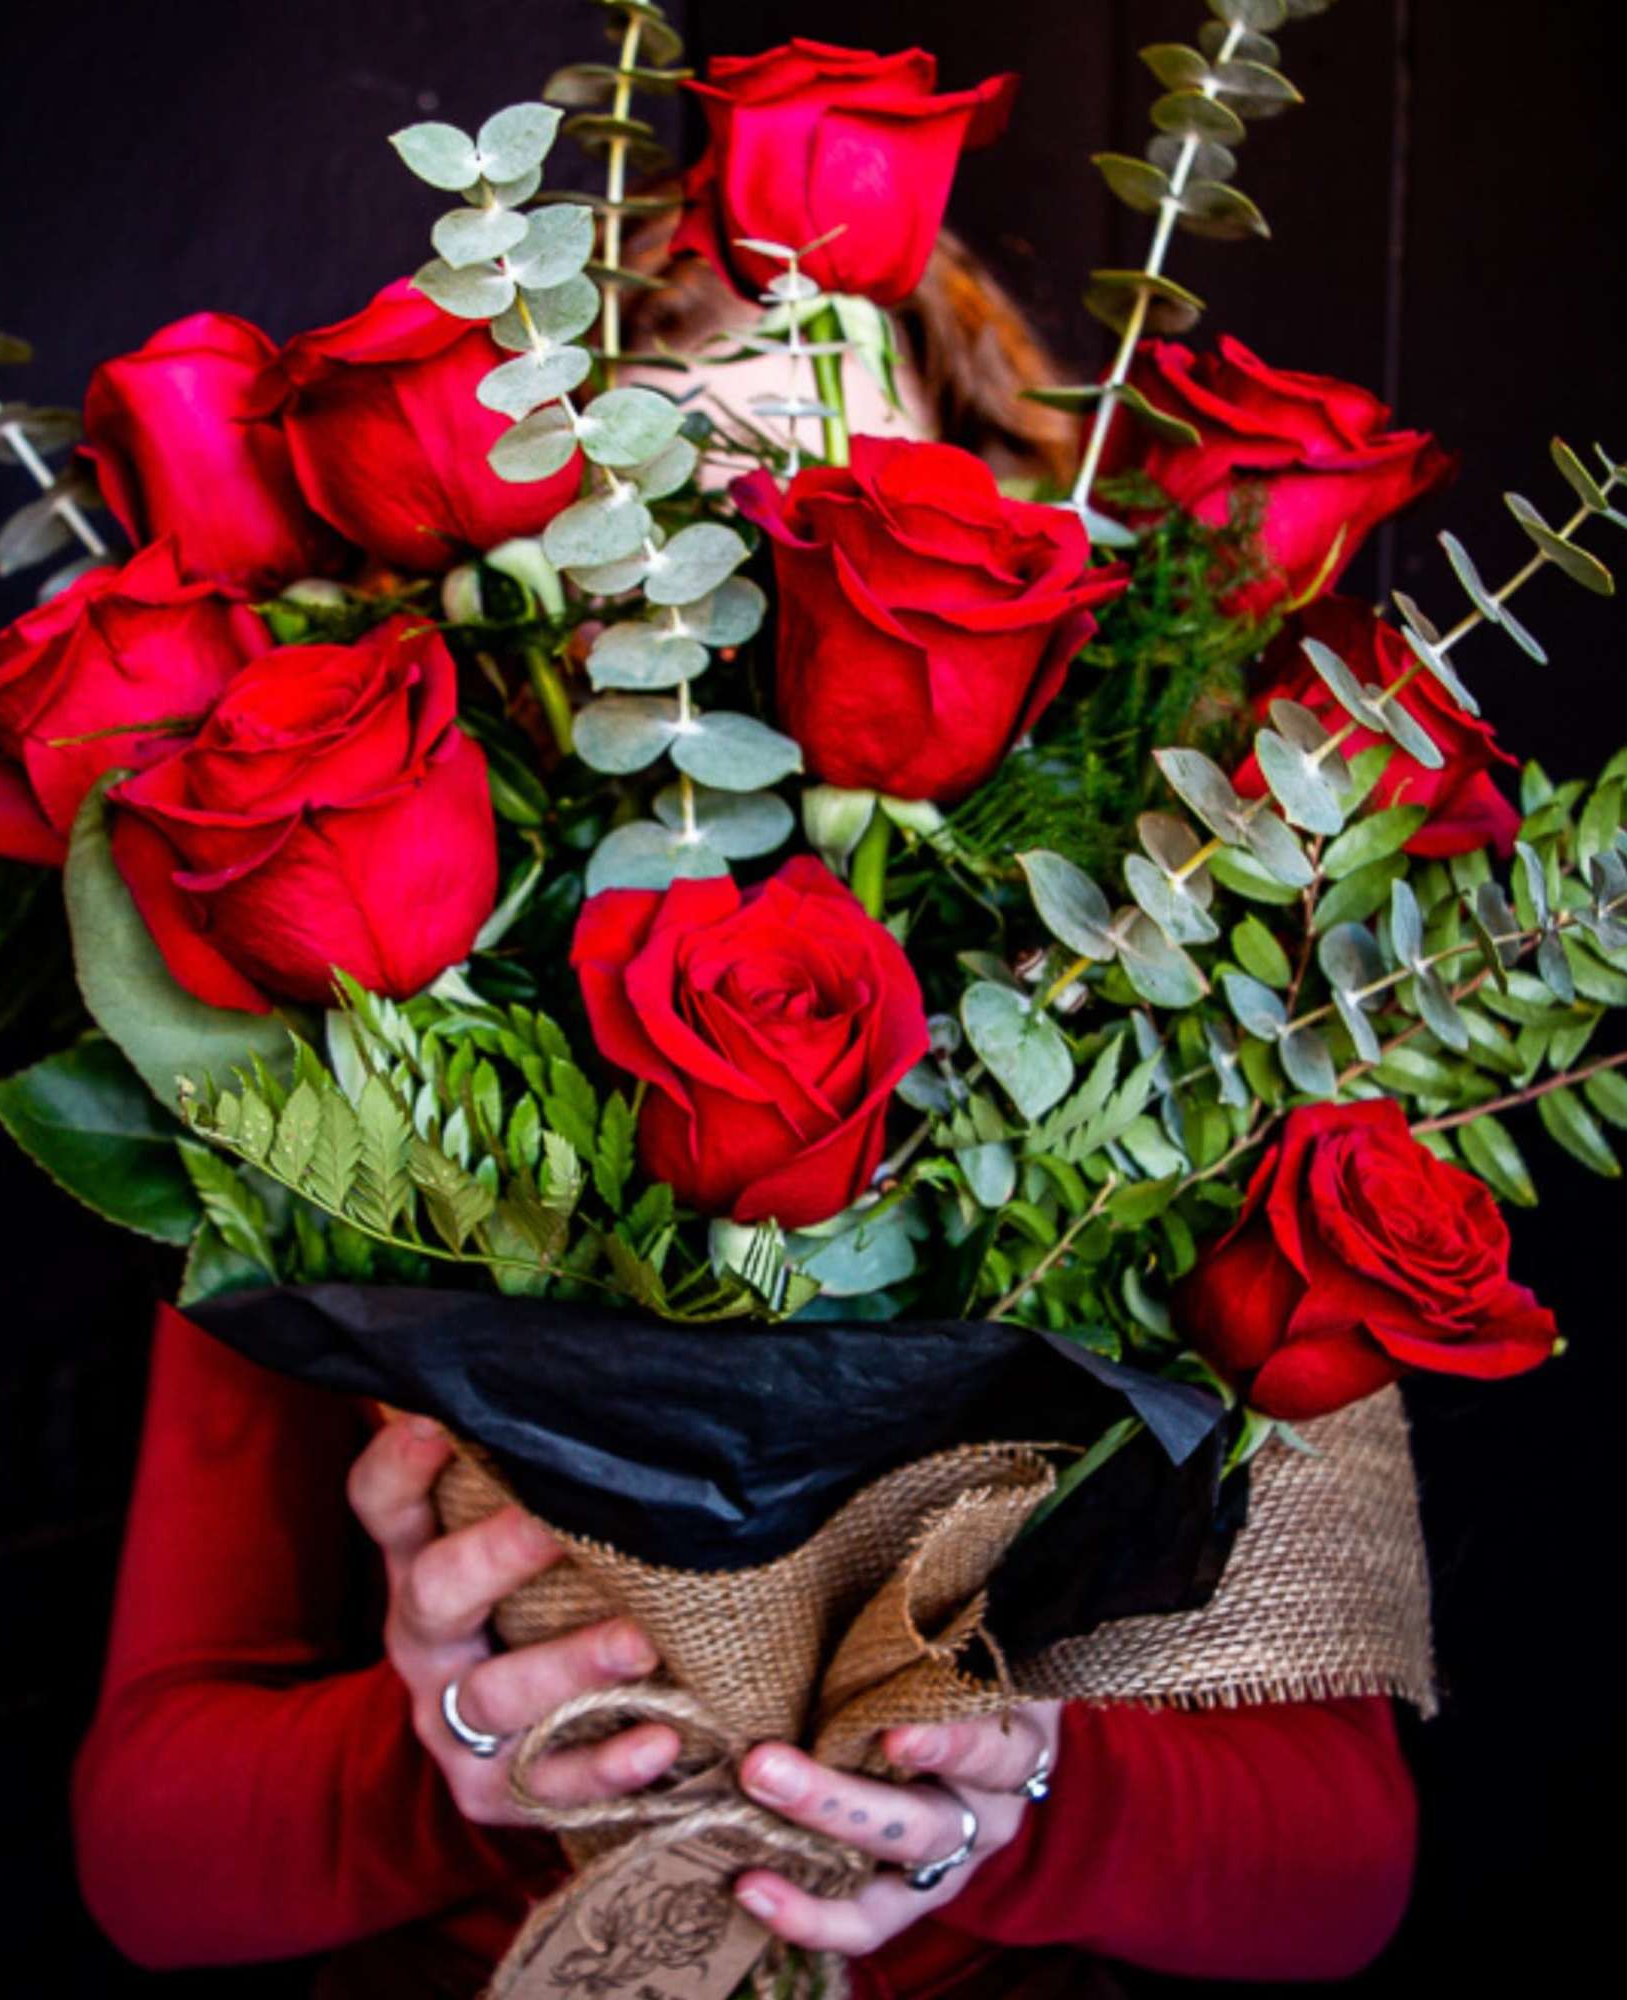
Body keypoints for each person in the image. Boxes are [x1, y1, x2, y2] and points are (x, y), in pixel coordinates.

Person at [72, 242, 1421, 1995]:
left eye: (820, 541)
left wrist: (1015, 1804)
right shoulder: (317, 1108)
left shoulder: (1211, 1090)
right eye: (659, 546)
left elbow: (1341, 1863)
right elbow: (152, 1859)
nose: (722, 632)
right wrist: (446, 1751)